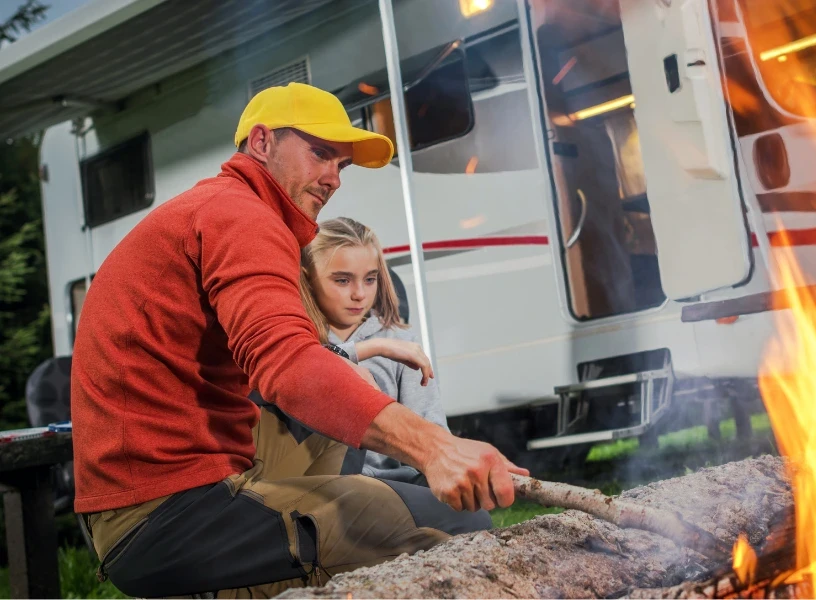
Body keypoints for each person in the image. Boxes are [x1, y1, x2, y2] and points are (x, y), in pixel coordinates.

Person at [70, 82, 527, 599]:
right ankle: (240, 584)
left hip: (149, 497)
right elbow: (288, 367)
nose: (333, 178)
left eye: (342, 165)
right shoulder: (240, 215)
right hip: (164, 516)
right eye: (320, 153)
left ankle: (283, 550)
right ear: (261, 142)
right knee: (455, 528)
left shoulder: (217, 209)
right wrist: (434, 448)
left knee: (339, 405)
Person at [299, 215, 446, 485]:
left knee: (471, 516)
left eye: (369, 279)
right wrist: (372, 348)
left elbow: (431, 429)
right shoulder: (296, 338)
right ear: (308, 280)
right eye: (342, 281)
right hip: (324, 485)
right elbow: (303, 367)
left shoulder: (401, 340)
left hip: (397, 485)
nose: (359, 294)